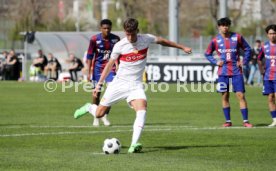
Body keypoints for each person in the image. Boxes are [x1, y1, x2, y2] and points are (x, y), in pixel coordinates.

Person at [74, 18, 192, 153]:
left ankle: (133, 145)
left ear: (138, 30)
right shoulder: (120, 45)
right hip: (118, 84)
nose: (130, 37)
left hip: (135, 85)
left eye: (132, 34)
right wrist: (98, 85)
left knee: (142, 110)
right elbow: (109, 65)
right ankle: (89, 107)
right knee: (100, 113)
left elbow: (162, 41)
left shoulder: (146, 39)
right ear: (125, 32)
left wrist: (182, 47)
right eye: (127, 34)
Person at [204, 17, 253, 128]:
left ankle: (245, 121)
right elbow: (207, 53)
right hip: (223, 72)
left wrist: (244, 61)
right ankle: (228, 121)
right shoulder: (215, 40)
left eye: (227, 25)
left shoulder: (237, 37)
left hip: (236, 71)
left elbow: (248, 49)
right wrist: (216, 62)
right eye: (223, 25)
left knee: (240, 95)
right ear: (219, 27)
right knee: (225, 96)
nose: (225, 27)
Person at [77, 19, 120, 126]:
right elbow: (90, 56)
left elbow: (119, 54)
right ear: (100, 29)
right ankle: (96, 116)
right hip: (97, 69)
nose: (107, 30)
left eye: (109, 28)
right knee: (96, 94)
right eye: (104, 28)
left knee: (111, 91)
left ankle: (104, 115)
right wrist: (88, 70)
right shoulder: (94, 39)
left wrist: (118, 66)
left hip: (111, 69)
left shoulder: (116, 39)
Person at [257, 24, 276, 127]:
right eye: (270, 33)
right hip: (268, 76)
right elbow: (259, 58)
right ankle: (275, 120)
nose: (272, 35)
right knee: (270, 98)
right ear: (267, 35)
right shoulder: (264, 46)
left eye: (274, 33)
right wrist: (261, 69)